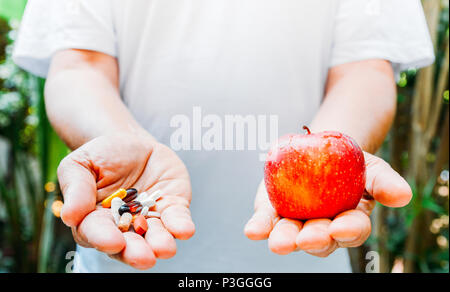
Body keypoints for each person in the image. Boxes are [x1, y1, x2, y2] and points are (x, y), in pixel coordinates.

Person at [13, 0, 434, 273]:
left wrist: (338, 156)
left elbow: (365, 69)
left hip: (304, 249)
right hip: (125, 252)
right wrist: (118, 141)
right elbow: (78, 65)